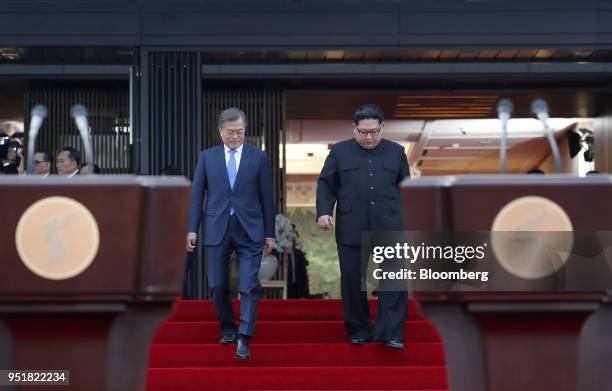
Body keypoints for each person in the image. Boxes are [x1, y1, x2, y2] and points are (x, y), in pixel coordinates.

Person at [316, 104, 410, 350]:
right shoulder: (339, 152)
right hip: (351, 225)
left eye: (374, 132)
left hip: (389, 225)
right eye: (363, 132)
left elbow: (406, 189)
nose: (369, 137)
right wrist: (324, 211)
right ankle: (359, 330)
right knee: (352, 279)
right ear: (354, 128)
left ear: (382, 128)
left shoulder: (396, 152)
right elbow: (326, 184)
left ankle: (391, 333)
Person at [186, 107, 276, 360]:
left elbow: (267, 198)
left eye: (240, 132)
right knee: (217, 285)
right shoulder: (207, 157)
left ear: (245, 130)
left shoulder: (258, 157)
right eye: (230, 132)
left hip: (250, 229)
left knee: (249, 284)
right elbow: (197, 197)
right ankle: (228, 329)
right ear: (220, 131)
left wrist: (270, 234)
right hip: (216, 228)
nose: (235, 136)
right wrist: (192, 230)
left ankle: (245, 337)